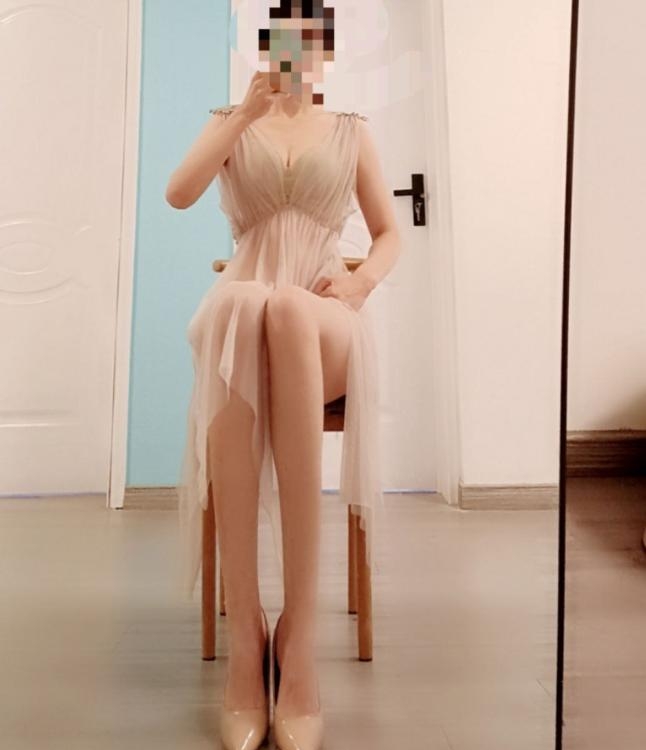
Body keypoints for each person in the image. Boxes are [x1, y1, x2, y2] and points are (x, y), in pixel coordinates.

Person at [166, 2, 401, 748]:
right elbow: (179, 192)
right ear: (266, 46)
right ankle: (249, 634)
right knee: (246, 306)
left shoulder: (350, 130)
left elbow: (388, 234)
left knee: (289, 309)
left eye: (311, 40)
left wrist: (359, 285)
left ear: (325, 53)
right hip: (244, 323)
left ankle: (298, 638)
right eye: (283, 38)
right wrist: (243, 115)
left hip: (324, 320)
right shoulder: (230, 121)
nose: (297, 52)